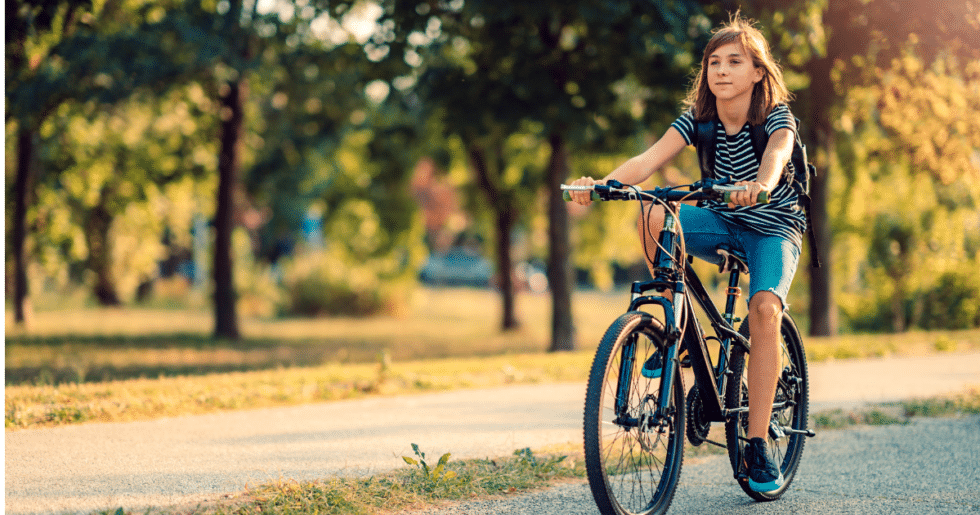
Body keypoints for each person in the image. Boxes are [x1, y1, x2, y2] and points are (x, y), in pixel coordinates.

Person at [567, 14, 805, 495]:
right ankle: (670, 334)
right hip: (722, 221)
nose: (721, 70)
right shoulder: (698, 119)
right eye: (713, 62)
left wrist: (760, 184)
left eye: (735, 62)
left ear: (758, 72)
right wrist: (602, 184)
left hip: (773, 228)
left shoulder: (776, 115)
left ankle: (756, 442)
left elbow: (779, 153)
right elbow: (648, 159)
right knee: (655, 211)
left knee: (764, 310)